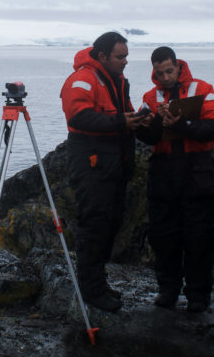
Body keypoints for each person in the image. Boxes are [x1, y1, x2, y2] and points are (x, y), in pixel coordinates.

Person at [60, 32, 150, 312]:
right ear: (102, 56)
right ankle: (91, 290)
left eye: (126, 56)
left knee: (109, 226)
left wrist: (141, 120)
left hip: (113, 165)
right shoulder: (83, 79)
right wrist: (121, 121)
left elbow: (122, 116)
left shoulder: (117, 80)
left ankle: (98, 284)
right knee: (94, 227)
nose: (125, 62)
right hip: (92, 165)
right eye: (120, 57)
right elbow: (78, 116)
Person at [135, 46, 214, 312]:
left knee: (199, 235)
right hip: (163, 170)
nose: (165, 77)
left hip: (197, 169)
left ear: (178, 66)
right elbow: (146, 136)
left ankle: (198, 295)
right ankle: (168, 290)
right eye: (160, 72)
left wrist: (179, 124)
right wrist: (149, 124)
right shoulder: (150, 96)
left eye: (169, 71)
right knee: (163, 234)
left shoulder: (202, 88)